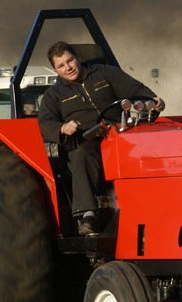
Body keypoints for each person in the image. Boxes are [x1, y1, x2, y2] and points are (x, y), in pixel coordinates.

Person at [38, 41, 164, 236]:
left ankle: (158, 203)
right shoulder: (54, 95)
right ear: (55, 70)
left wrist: (152, 100)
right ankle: (86, 216)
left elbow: (135, 89)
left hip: (120, 131)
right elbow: (45, 123)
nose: (68, 68)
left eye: (70, 61)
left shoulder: (104, 73)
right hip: (86, 139)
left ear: (78, 58)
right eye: (61, 65)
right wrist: (62, 127)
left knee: (151, 147)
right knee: (80, 154)